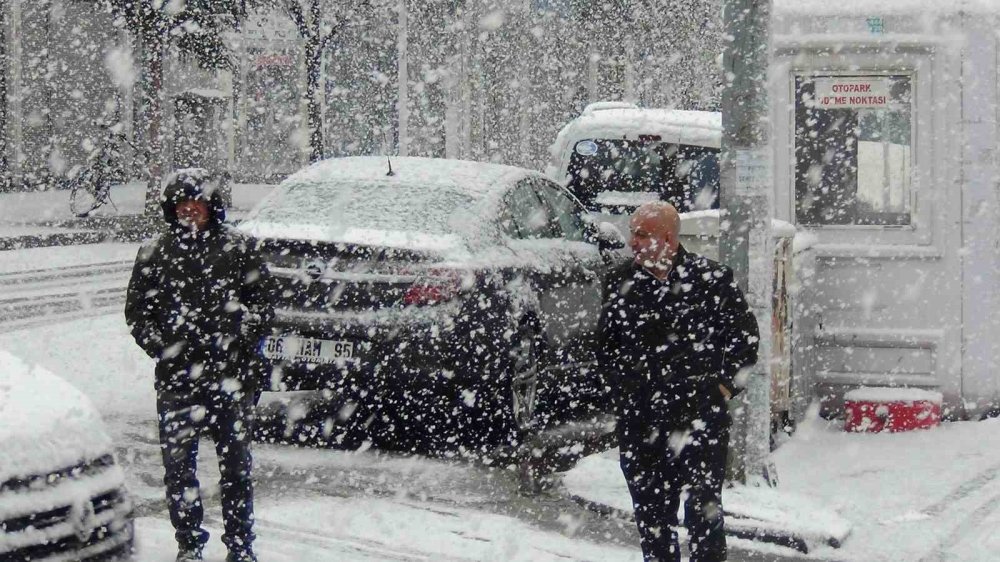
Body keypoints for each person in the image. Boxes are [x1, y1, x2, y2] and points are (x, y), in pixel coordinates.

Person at [125, 169, 274, 562]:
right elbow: (138, 315)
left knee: (237, 469)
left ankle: (241, 547)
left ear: (213, 206)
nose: (190, 209)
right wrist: (165, 350)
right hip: (177, 381)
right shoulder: (154, 252)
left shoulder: (239, 248)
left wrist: (241, 336)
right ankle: (189, 546)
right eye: (182, 203)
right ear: (171, 209)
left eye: (198, 201)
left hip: (232, 378)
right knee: (178, 470)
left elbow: (264, 306)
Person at [598, 201, 759, 562]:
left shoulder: (712, 280)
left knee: (704, 517)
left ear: (668, 239)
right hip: (642, 421)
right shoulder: (620, 282)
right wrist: (625, 393)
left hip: (699, 418)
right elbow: (605, 349)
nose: (632, 242)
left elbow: (744, 341)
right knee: (653, 521)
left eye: (641, 234)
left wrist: (722, 387)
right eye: (632, 233)